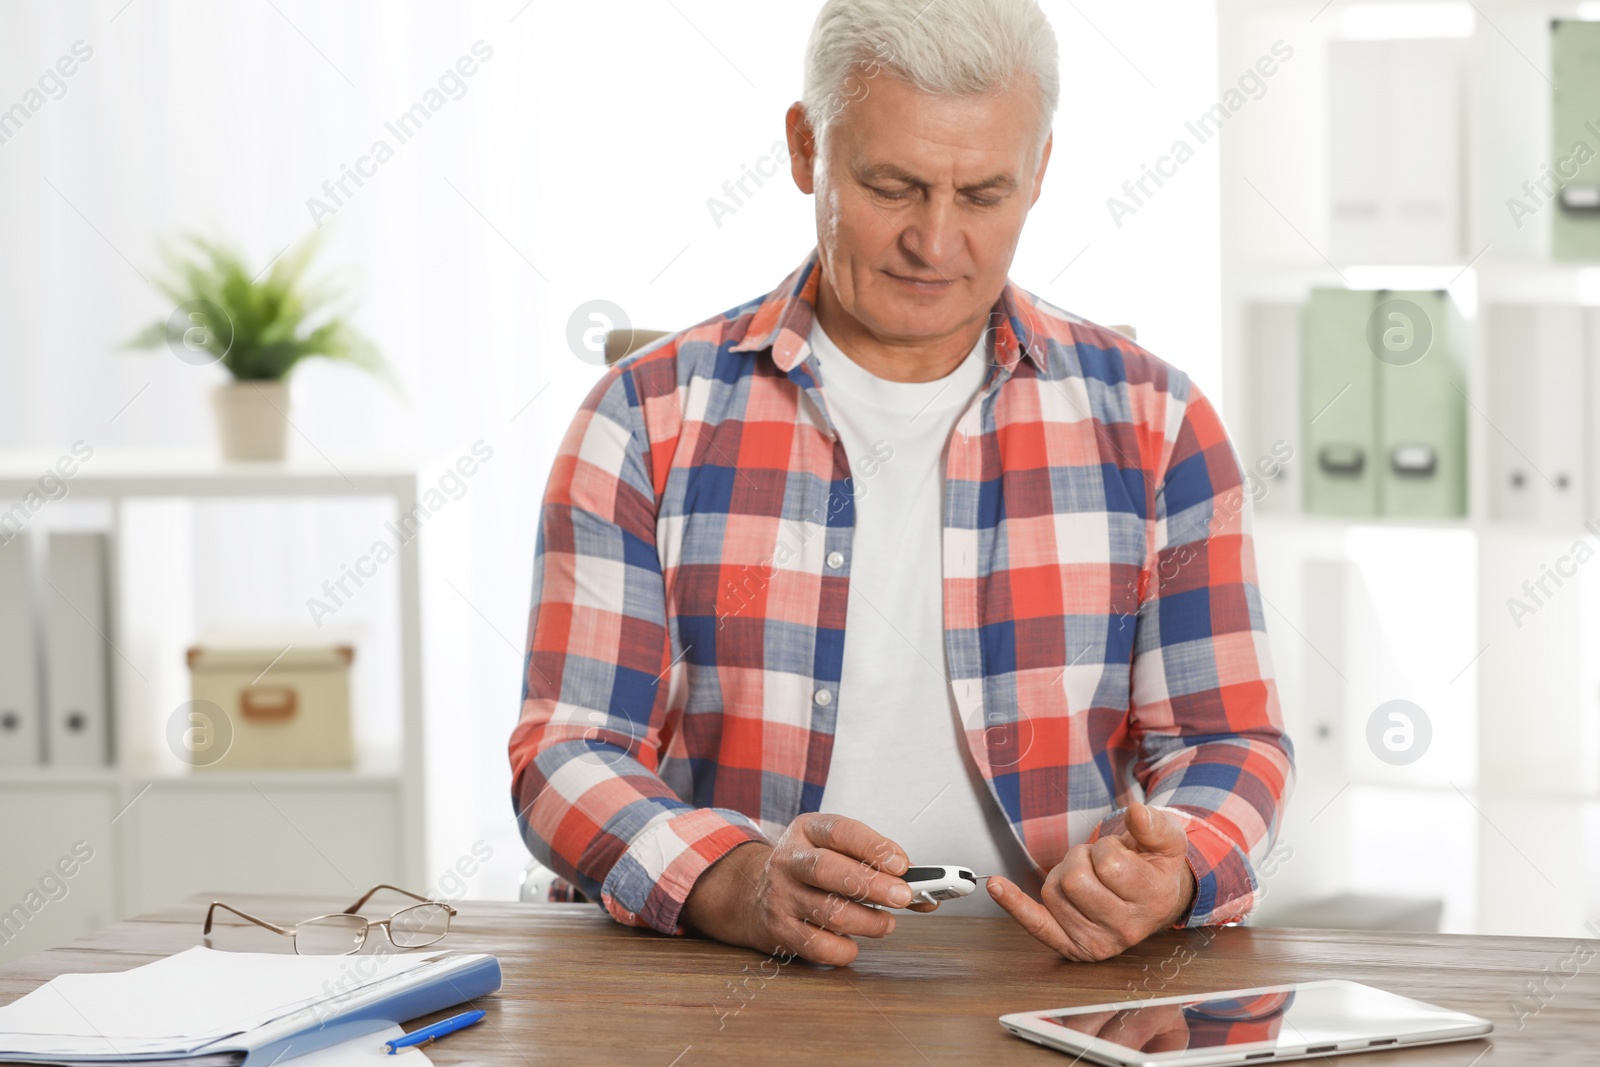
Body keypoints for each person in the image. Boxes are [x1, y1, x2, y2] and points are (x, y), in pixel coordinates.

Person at [509, 0, 1293, 966]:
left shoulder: (1159, 425)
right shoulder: (641, 420)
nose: (935, 241)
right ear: (805, 149)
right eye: (893, 186)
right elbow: (567, 750)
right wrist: (737, 880)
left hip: (1054, 979)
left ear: (1041, 171)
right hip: (725, 973)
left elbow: (1230, 742)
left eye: (983, 195)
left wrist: (1175, 867)